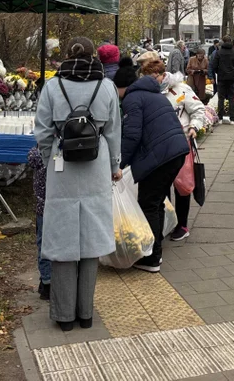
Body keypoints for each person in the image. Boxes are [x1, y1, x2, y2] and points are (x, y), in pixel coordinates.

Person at [34, 36, 121, 331]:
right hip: (96, 167)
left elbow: (43, 132)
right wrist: (113, 166)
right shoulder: (106, 86)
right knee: (92, 239)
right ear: (93, 55)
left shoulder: (52, 86)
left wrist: (51, 159)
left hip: (63, 169)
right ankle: (86, 313)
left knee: (62, 239)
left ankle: (63, 316)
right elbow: (113, 132)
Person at [114, 58, 189, 273]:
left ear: (122, 87)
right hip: (175, 151)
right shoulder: (153, 94)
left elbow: (132, 135)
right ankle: (157, 247)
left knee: (148, 203)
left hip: (162, 155)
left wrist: (119, 164)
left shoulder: (132, 99)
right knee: (156, 202)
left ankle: (152, 257)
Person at [159, 69, 206, 241]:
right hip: (158, 144)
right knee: (161, 186)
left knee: (183, 185)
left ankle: (182, 224)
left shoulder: (181, 89)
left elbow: (199, 109)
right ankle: (166, 222)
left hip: (181, 142)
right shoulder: (148, 91)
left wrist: (194, 127)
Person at [26, 147, 51, 300]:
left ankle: (46, 282)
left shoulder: (38, 155)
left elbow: (31, 156)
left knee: (43, 245)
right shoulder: (63, 155)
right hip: (62, 207)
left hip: (43, 207)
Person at [213, 35, 234, 124]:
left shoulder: (219, 53)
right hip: (232, 78)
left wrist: (219, 72)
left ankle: (220, 117)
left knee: (221, 98)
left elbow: (214, 65)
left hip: (221, 77)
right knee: (231, 98)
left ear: (223, 41)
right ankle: (232, 118)